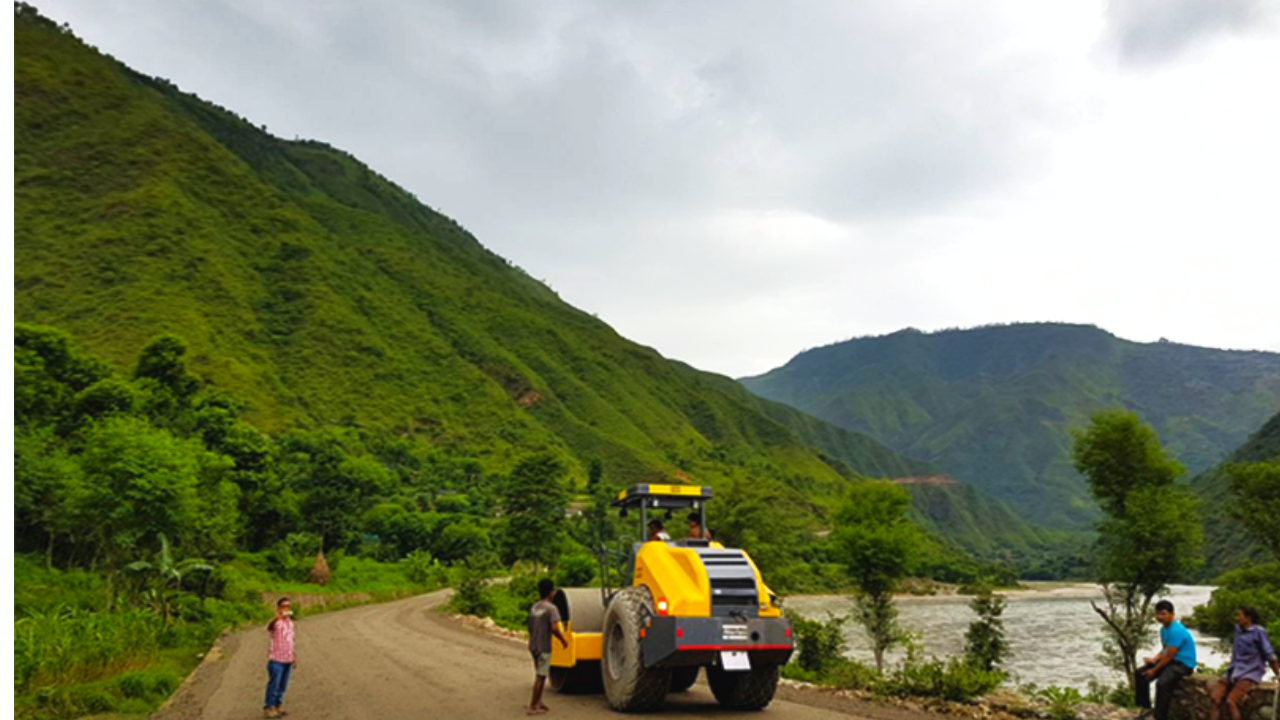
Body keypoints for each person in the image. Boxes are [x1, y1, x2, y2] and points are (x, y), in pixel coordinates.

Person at [1210, 606, 1280, 720]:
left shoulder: (1259, 632)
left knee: (1231, 701)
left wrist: (1278, 674)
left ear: (1248, 618)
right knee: (1215, 698)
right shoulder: (1238, 630)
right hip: (1234, 669)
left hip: (1251, 671)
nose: (1236, 618)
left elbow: (1269, 654)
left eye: (1239, 615)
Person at [1135, 600, 1197, 720]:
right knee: (1140, 674)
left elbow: (1169, 656)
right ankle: (1146, 708)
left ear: (1172, 614)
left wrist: (1154, 671)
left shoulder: (1176, 630)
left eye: (1163, 614)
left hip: (1183, 664)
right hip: (1171, 661)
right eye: (1158, 614)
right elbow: (1165, 650)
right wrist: (1154, 659)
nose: (1160, 617)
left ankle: (1160, 716)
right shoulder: (1164, 630)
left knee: (1162, 683)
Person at [527, 579, 568, 716]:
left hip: (533, 645)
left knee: (539, 673)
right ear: (551, 593)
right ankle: (533, 706)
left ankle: (538, 701)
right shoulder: (552, 609)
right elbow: (555, 628)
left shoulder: (535, 607)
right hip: (544, 646)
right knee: (541, 676)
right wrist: (563, 640)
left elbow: (530, 626)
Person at [264, 597, 296, 719]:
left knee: (282, 685)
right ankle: (269, 706)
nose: (286, 609)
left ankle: (278, 705)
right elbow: (269, 627)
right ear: (278, 608)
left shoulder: (291, 624)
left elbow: (291, 641)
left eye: (288, 606)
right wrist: (277, 617)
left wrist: (293, 656)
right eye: (284, 606)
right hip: (276, 659)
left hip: (287, 658)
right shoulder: (276, 623)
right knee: (274, 684)